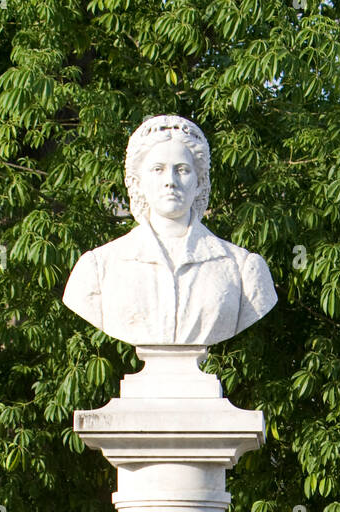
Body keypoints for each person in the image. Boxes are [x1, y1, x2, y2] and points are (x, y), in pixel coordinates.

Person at [62, 115, 277, 347]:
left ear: (199, 183)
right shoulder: (97, 267)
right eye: (158, 169)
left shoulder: (243, 268)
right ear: (137, 182)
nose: (170, 181)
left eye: (182, 170)